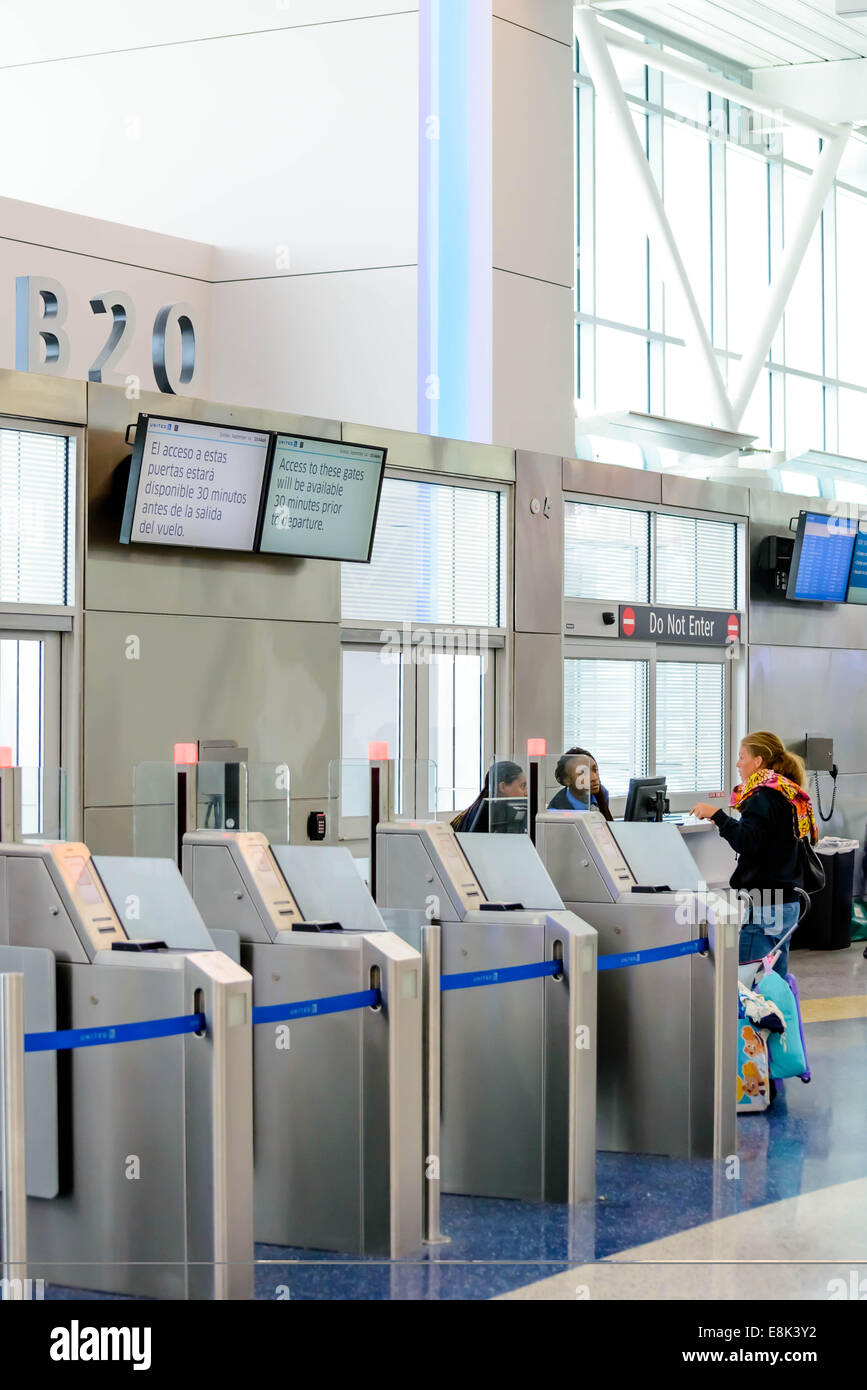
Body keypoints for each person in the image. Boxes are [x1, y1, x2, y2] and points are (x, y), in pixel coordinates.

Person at [691, 731, 818, 978]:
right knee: (774, 983)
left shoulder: (762, 795)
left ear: (758, 761)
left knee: (751, 984)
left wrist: (717, 815)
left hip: (766, 904)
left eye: (741, 757)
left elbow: (747, 841)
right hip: (787, 901)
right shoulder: (786, 790)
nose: (738, 764)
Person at [451, 761, 527, 833]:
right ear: (503, 787)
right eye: (522, 786)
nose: (526, 793)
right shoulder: (489, 814)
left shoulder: (480, 808)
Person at [547, 747, 613, 822]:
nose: (594, 778)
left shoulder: (602, 793)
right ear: (566, 780)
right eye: (583, 773)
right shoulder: (556, 811)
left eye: (595, 770)